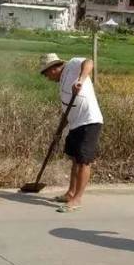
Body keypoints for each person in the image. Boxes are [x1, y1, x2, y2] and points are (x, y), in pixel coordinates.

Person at [40, 53, 103, 213]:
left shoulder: (72, 65)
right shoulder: (61, 84)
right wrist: (59, 131)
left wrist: (80, 80)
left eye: (46, 73)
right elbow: (67, 111)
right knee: (75, 159)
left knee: (84, 161)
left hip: (89, 120)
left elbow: (89, 62)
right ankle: (70, 193)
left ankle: (77, 199)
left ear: (53, 68)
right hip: (75, 124)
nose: (47, 78)